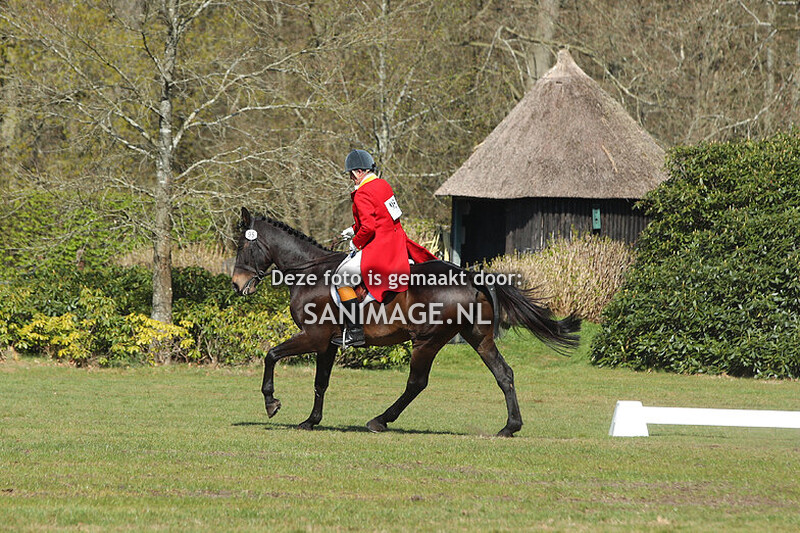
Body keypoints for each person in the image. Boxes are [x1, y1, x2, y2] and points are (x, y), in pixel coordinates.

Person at [335, 149, 437, 347]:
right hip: (397, 243)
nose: (351, 179)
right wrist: (352, 229)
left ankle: (355, 332)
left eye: (350, 175)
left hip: (380, 247)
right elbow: (385, 216)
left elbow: (369, 227)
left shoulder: (362, 192)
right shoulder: (383, 185)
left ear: (357, 172)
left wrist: (355, 242)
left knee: (341, 278)